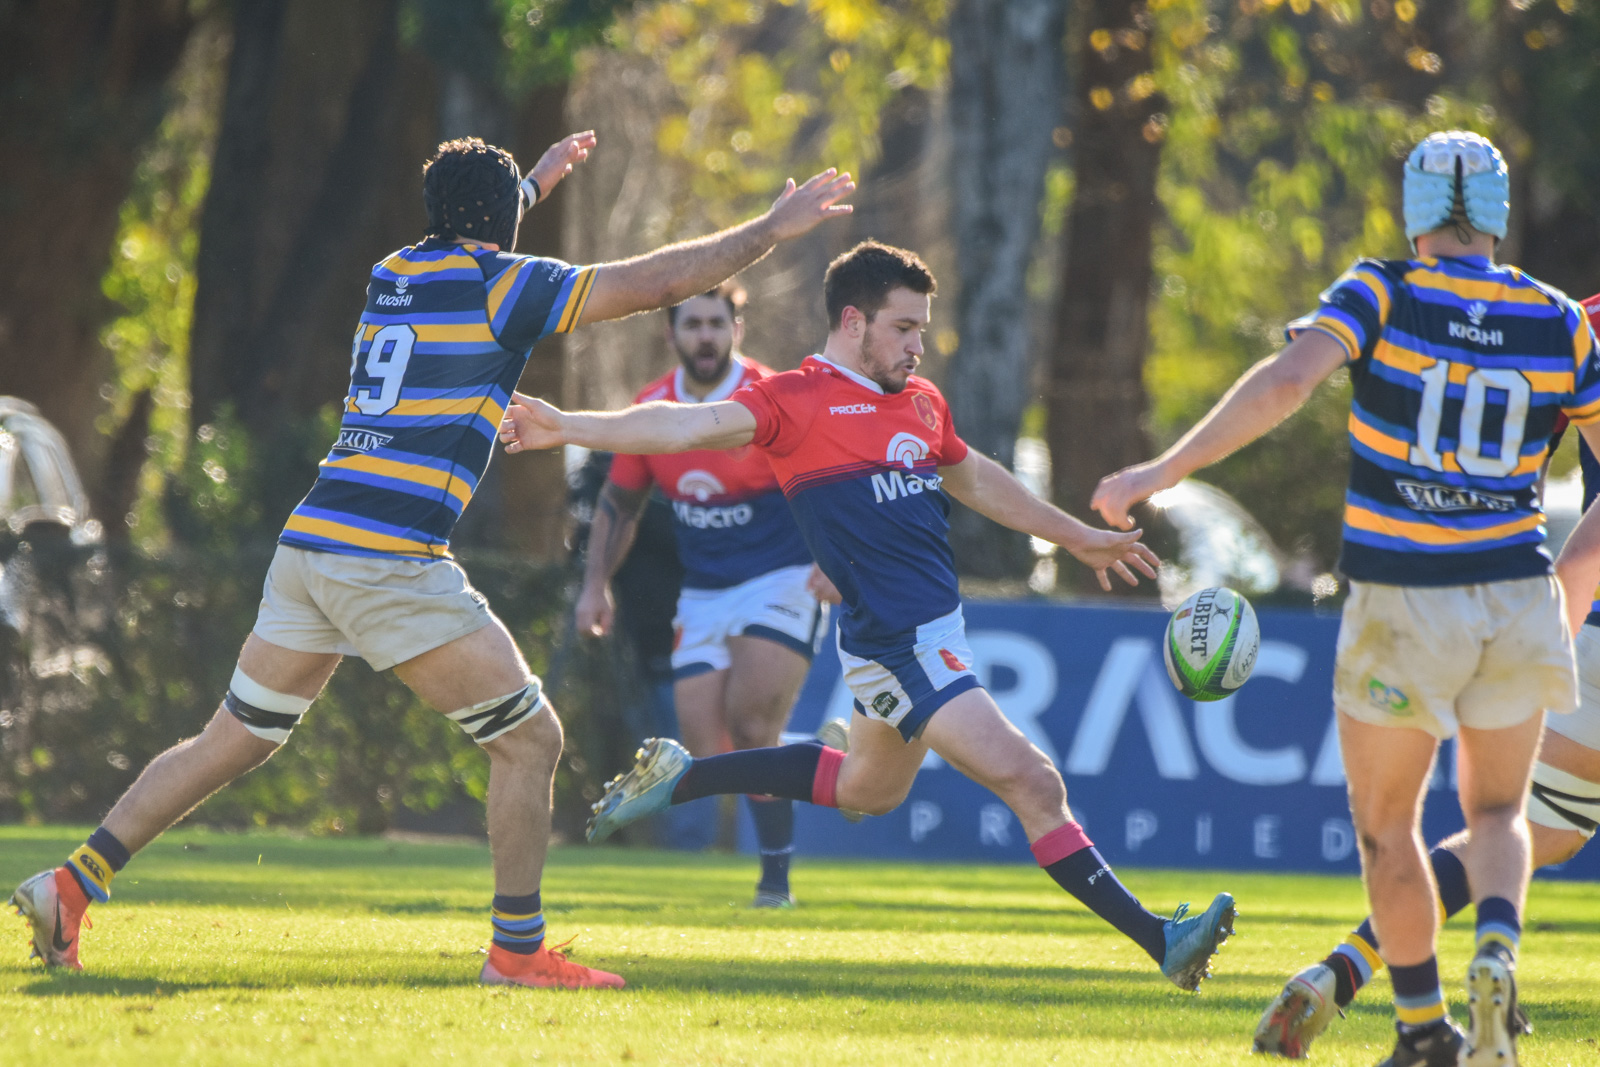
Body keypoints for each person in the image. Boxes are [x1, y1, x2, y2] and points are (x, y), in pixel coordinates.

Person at [9, 132, 855, 991]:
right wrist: (771, 229)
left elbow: (476, 228)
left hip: (312, 543)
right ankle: (516, 951)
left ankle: (71, 883)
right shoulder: (504, 285)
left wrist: (526, 186)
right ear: (500, 229)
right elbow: (662, 285)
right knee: (531, 741)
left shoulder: (397, 271)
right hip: (386, 555)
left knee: (231, 738)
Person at [499, 240, 1239, 992]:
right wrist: (568, 425)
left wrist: (1075, 535)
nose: (918, 345)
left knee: (868, 790)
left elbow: (977, 478)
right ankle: (1163, 940)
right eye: (904, 328)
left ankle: (686, 775)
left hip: (914, 639)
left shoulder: (922, 402)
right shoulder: (794, 400)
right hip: (902, 645)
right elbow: (681, 427)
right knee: (1034, 781)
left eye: (922, 329)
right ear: (853, 322)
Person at [1092, 131, 1600, 1067]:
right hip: (1518, 594)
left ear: (1414, 209)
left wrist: (1160, 470)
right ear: (1498, 211)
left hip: (1406, 595)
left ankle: (1422, 1028)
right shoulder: (1561, 319)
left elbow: (1287, 383)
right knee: (1499, 818)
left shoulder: (1381, 289)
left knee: (1389, 826)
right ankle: (1495, 949)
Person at [1252, 294, 1600, 1059]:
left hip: (1582, 631)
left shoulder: (1571, 322)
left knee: (1537, 830)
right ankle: (1485, 965)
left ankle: (1342, 969)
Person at [575, 281, 839, 907]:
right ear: (671, 334)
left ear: (736, 331)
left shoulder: (769, 398)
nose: (705, 337)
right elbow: (618, 502)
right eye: (692, 324)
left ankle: (775, 884)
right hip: (704, 592)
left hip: (783, 578)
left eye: (716, 324)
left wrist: (838, 562)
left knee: (751, 726)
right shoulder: (652, 407)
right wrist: (595, 587)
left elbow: (828, 484)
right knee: (706, 749)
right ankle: (830, 764)